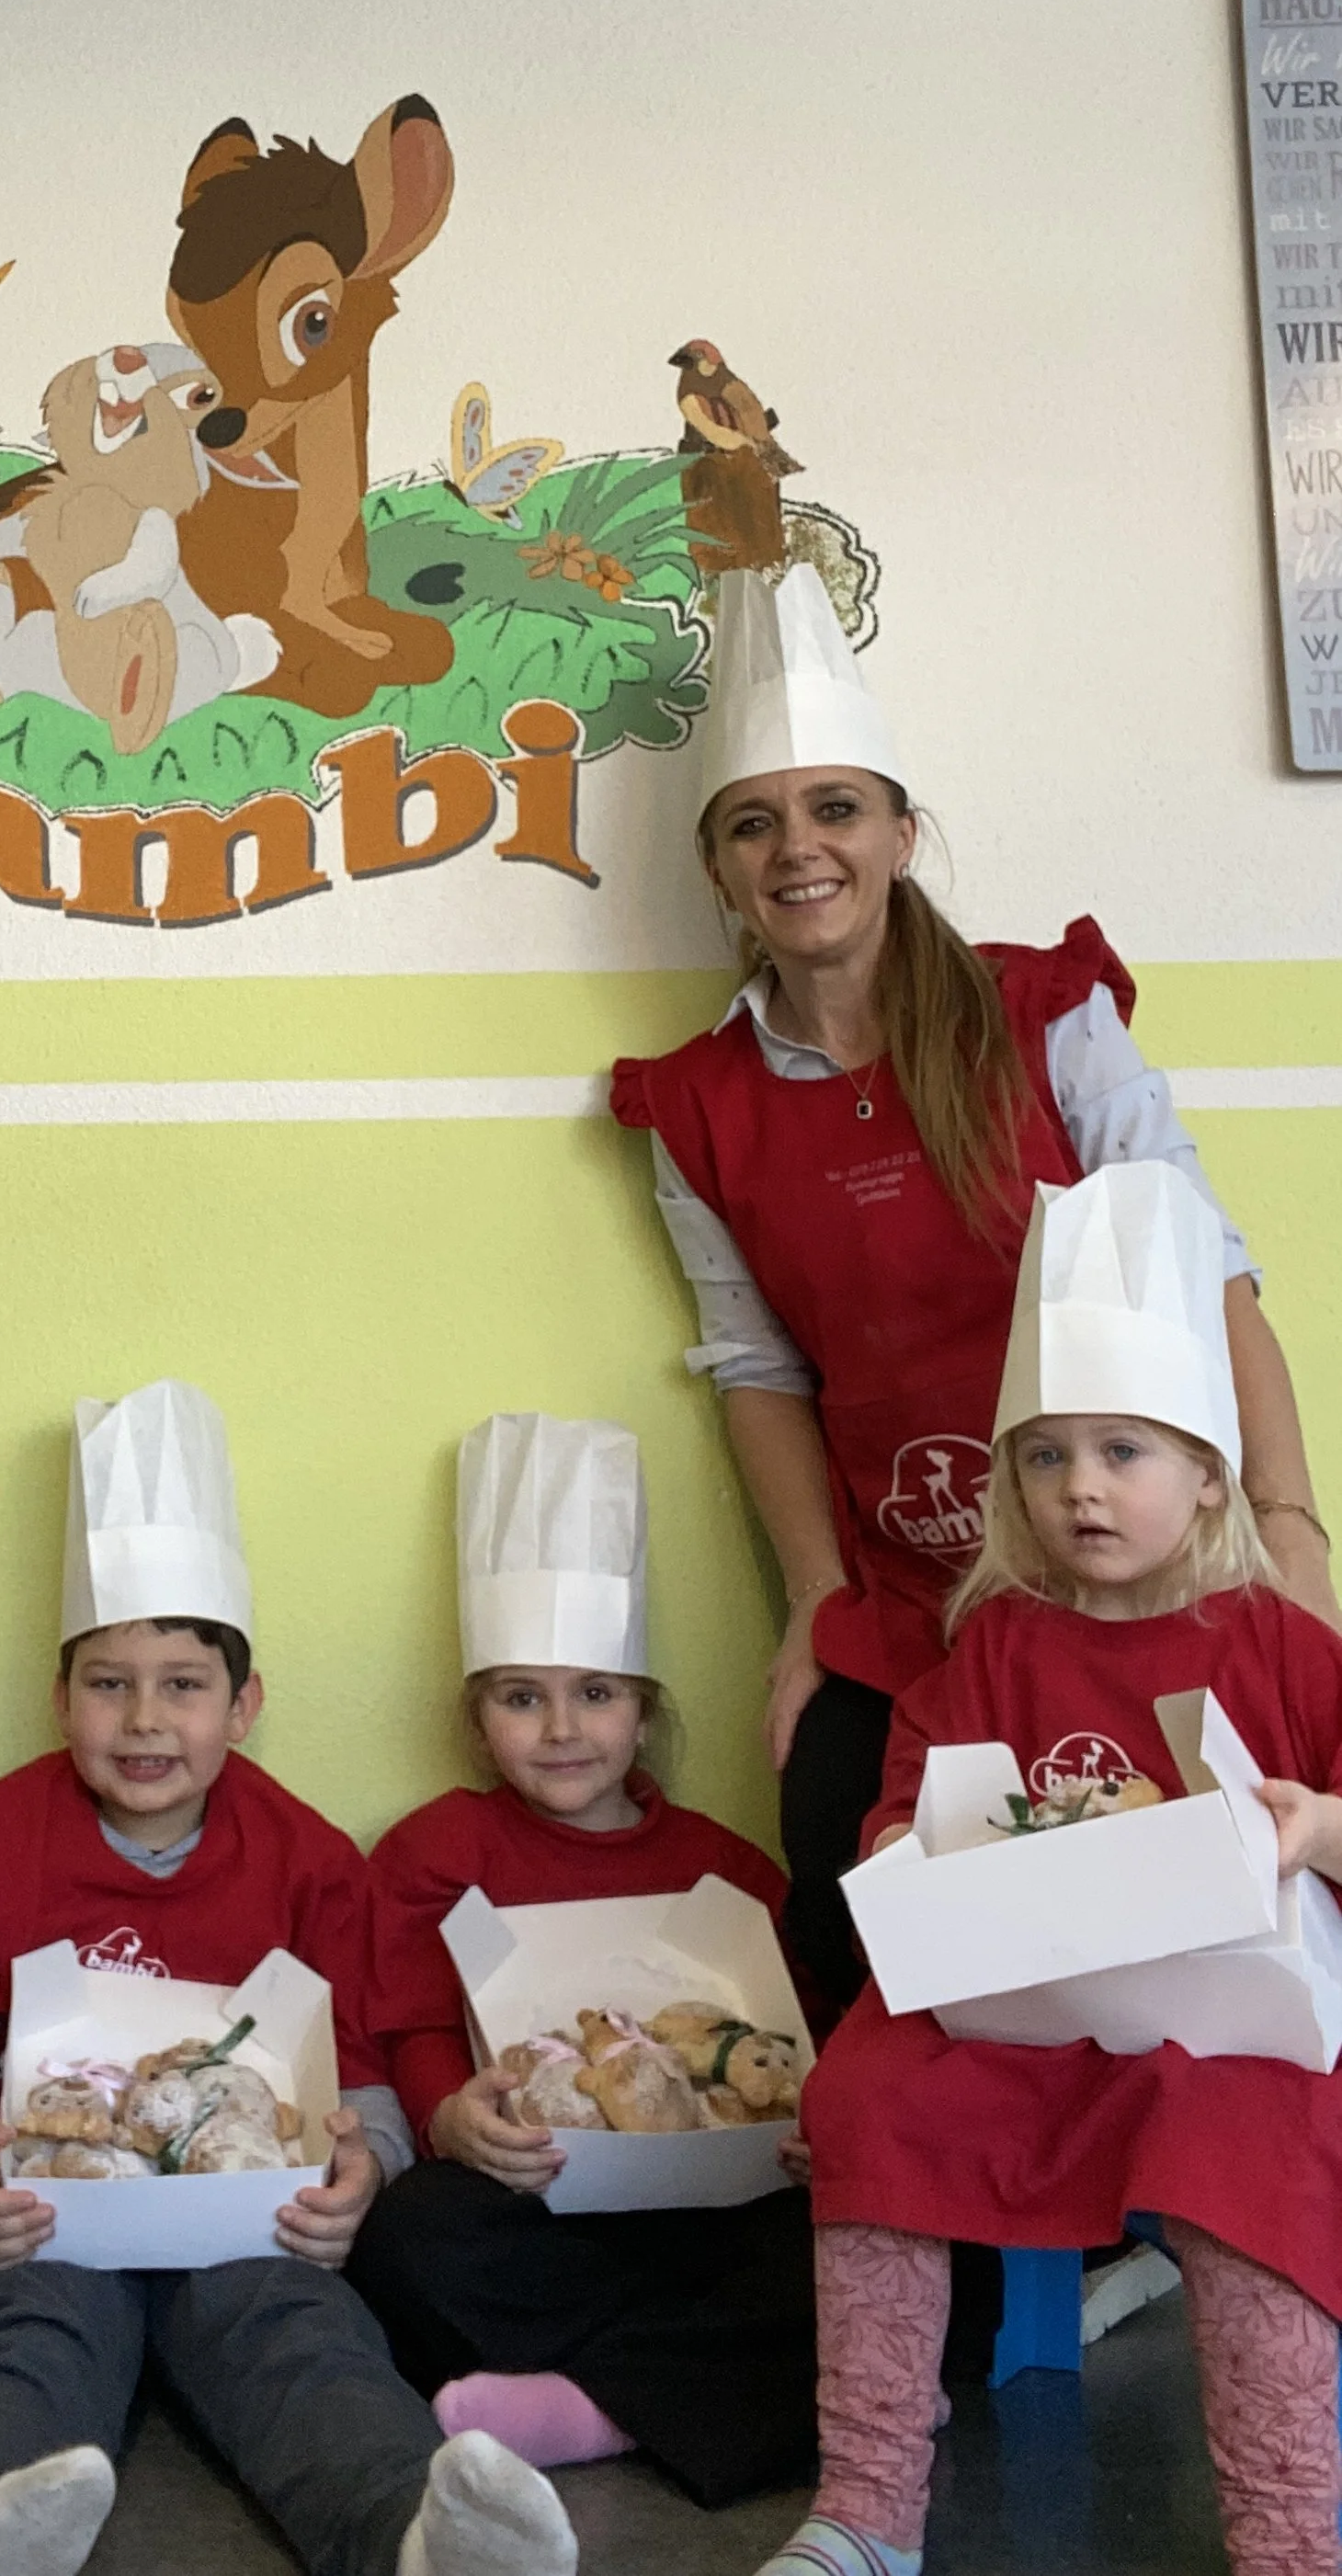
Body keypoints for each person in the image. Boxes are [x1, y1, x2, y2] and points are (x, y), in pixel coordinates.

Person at [608, 564, 1328, 2016]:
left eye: (836, 809)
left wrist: (1286, 1522)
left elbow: (1213, 1274)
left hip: (1137, 1580)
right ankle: (941, 2231)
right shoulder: (699, 1107)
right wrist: (814, 1600)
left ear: (899, 831)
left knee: (1189, 1940)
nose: (799, 850)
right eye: (756, 823)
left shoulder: (1047, 1017)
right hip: (911, 1603)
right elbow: (757, 1370)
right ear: (718, 867)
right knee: (863, 1909)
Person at [0, 1376, 580, 2576]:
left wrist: (366, 2166)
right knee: (26, 2338)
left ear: (244, 1706)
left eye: (185, 1683)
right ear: (60, 1698)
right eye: (108, 1680)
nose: (145, 1718)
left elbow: (360, 2079)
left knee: (306, 2340)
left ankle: (418, 2544)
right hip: (43, 2214)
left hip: (242, 2225)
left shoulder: (309, 1861)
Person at [763, 1159, 1342, 2576]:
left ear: (1209, 1466)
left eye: (1123, 1451)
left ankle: (1286, 2533)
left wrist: (1314, 1827)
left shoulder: (1281, 1645)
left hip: (1231, 2032)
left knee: (1245, 2142)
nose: (1080, 1487)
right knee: (869, 2086)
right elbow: (906, 1814)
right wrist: (908, 1846)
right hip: (1034, 2014)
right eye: (1045, 1453)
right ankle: (867, 2507)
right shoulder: (999, 1648)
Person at [350, 1412, 814, 2510]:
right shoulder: (434, 1853)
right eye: (521, 1698)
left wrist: (809, 2128)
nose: (562, 1729)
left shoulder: (725, 1868)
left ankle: (589, 2409)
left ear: (645, 1711)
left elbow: (800, 2041)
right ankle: (747, 2392)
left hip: (716, 2211)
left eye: (596, 1694)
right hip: (536, 2205)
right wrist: (450, 2117)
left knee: (881, 2245)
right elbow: (411, 2026)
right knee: (408, 2241)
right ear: (476, 1719)